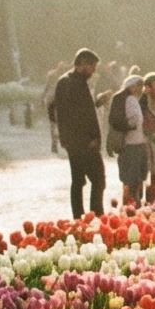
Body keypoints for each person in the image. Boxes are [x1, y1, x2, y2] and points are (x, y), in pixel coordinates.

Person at [51, 47, 105, 218]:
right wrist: (91, 138)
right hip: (83, 143)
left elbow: (62, 110)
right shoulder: (73, 83)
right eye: (92, 67)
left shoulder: (67, 81)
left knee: (78, 180)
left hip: (73, 142)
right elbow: (77, 116)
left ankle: (79, 216)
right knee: (98, 179)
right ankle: (95, 215)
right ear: (82, 63)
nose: (93, 71)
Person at [106, 69, 149, 207]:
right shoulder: (130, 100)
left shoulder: (129, 99)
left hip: (135, 142)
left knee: (132, 178)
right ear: (132, 86)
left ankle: (131, 204)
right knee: (133, 178)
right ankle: (132, 205)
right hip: (133, 143)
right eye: (139, 86)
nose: (141, 89)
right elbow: (133, 121)